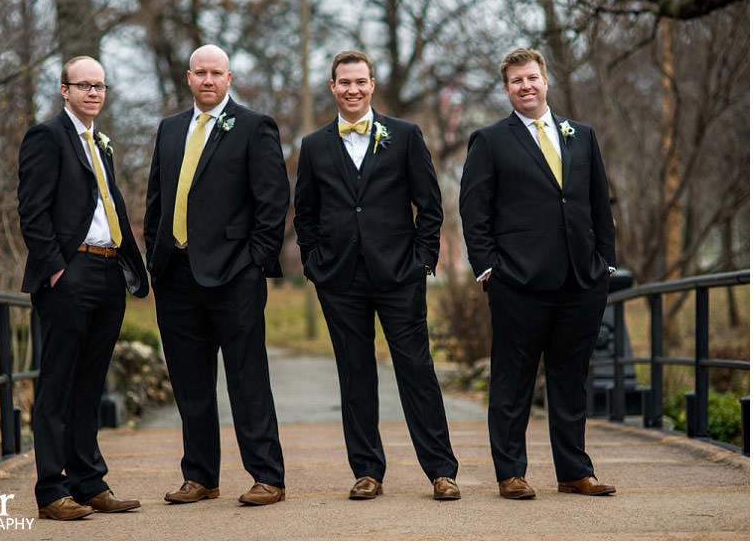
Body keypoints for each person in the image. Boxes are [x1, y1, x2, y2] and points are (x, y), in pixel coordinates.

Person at [293, 50, 461, 501]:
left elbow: (430, 205)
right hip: (339, 279)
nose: (352, 89)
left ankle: (442, 471)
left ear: (372, 85)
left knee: (416, 370)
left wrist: (423, 260)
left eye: (360, 81)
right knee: (355, 374)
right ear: (333, 87)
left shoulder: (404, 135)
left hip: (399, 276)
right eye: (344, 82)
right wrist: (314, 263)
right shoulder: (313, 145)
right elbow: (305, 213)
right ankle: (367, 471)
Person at [459, 47, 617, 499]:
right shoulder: (489, 141)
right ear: (506, 88)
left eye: (532, 78)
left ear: (545, 80)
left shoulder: (581, 136)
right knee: (513, 380)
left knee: (570, 378)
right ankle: (510, 472)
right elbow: (474, 212)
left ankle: (574, 471)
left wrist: (604, 263)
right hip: (518, 283)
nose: (525, 86)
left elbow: (597, 205)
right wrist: (489, 269)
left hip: (581, 281)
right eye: (515, 81)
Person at [144, 44, 289, 506]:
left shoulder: (253, 126)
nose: (208, 80)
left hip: (234, 275)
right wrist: (156, 256)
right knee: (190, 382)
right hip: (176, 275)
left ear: (229, 78)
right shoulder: (169, 130)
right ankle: (200, 476)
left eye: (216, 73)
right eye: (200, 73)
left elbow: (273, 202)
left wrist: (255, 260)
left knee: (248, 378)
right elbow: (156, 201)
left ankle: (268, 476)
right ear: (189, 77)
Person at [18, 56, 149, 520]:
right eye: (84, 85)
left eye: (100, 86)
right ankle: (52, 491)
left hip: (108, 272)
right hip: (70, 275)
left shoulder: (100, 144)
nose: (93, 93)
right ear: (64, 90)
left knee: (91, 384)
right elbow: (32, 212)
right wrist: (56, 269)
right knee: (57, 385)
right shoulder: (47, 137)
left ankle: (88, 482)